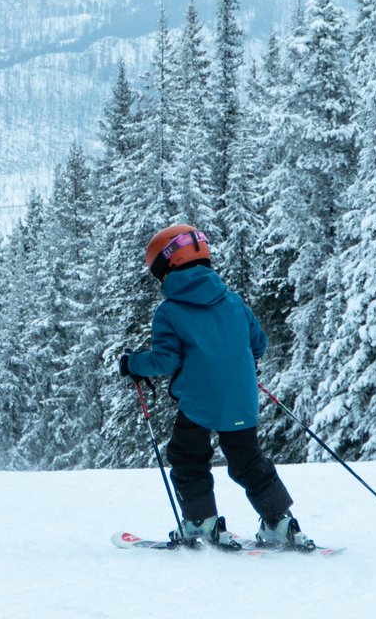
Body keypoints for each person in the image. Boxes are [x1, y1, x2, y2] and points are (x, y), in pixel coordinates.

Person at [120, 223, 315, 551]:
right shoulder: (233, 301)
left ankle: (201, 521)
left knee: (187, 456)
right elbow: (258, 343)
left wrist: (132, 363)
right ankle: (279, 522)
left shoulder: (170, 311)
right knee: (248, 460)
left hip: (199, 401)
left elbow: (165, 360)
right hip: (241, 398)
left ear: (167, 265)